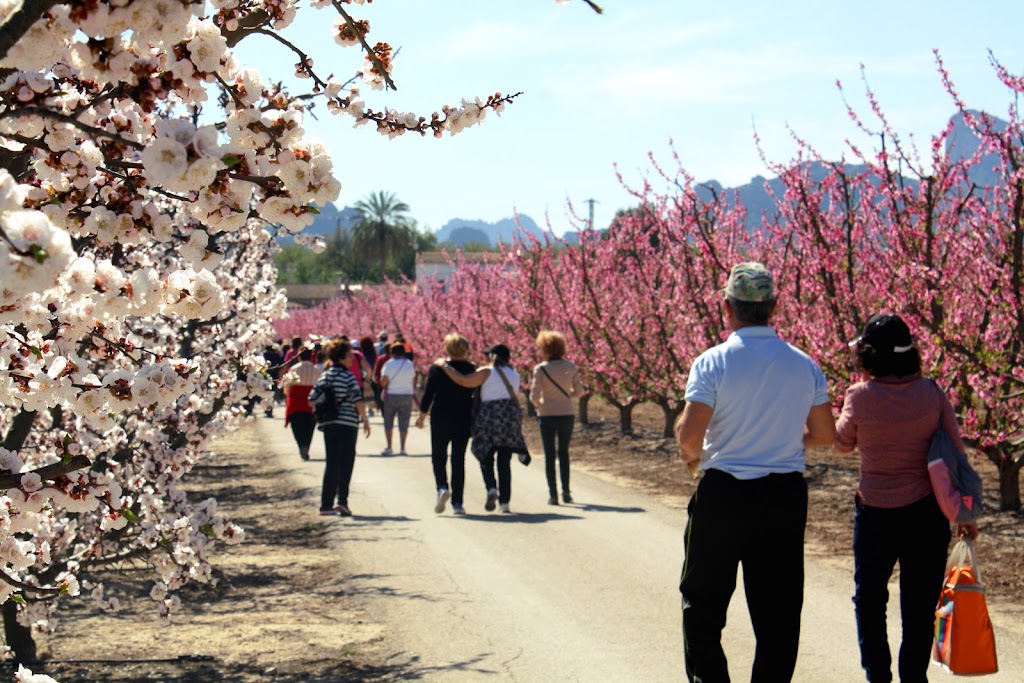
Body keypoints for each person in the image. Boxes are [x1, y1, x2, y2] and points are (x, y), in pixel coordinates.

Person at [674, 262, 835, 683]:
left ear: (727, 307)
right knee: (779, 612)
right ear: (774, 306)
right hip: (783, 496)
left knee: (703, 603)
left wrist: (697, 453)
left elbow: (690, 438)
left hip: (724, 493)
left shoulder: (712, 362)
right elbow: (824, 433)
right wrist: (783, 439)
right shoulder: (805, 364)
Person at [834, 313, 976, 683]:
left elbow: (843, 444)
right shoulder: (932, 393)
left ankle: (877, 675)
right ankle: (913, 676)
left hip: (875, 515)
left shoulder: (859, 396)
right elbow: (957, 455)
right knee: (919, 603)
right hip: (925, 515)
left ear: (870, 356)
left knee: (869, 600)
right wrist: (965, 513)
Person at [440, 344, 529, 514]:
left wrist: (445, 366)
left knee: (485, 455)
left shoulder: (486, 372)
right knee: (505, 460)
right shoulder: (515, 375)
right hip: (510, 416)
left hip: (489, 416)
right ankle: (505, 503)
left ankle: (491, 487)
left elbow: (463, 381)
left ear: (493, 357)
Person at [309, 339, 371, 516]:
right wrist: (365, 421)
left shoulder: (325, 376)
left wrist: (327, 404)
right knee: (346, 462)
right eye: (349, 354)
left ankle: (326, 505)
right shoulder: (348, 376)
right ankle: (342, 501)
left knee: (332, 462)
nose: (352, 357)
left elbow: (312, 398)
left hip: (328, 423)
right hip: (348, 423)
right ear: (342, 357)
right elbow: (357, 400)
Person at [416, 333, 476, 514]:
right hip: (463, 417)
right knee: (458, 459)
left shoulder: (438, 369)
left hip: (441, 415)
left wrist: (422, 415)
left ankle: (442, 487)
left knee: (439, 456)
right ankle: (457, 503)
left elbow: (428, 394)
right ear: (465, 349)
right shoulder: (471, 368)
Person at [529, 330, 583, 505]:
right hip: (566, 413)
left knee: (549, 454)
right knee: (564, 453)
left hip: (547, 414)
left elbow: (534, 396)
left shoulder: (541, 369)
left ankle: (553, 495)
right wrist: (567, 395)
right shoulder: (571, 367)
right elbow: (579, 391)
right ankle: (567, 492)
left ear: (545, 348)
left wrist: (541, 404)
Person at [281, 346, 319, 460]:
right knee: (310, 427)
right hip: (311, 402)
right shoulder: (316, 370)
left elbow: (287, 385)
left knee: (297, 426)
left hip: (296, 401)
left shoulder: (294, 369)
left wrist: (287, 394)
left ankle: (301, 445)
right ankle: (306, 445)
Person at [380, 343, 416, 456]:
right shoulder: (409, 364)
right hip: (406, 395)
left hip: (391, 395)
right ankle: (402, 448)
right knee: (404, 422)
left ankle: (389, 447)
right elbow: (414, 380)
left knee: (388, 422)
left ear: (392, 352)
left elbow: (383, 381)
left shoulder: (388, 364)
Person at [262, 343, 284, 417]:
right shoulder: (276, 355)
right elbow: (281, 365)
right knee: (271, 395)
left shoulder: (264, 354)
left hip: (264, 377)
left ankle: (266, 409)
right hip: (274, 377)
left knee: (264, 394)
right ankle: (269, 410)